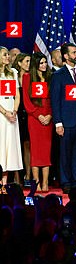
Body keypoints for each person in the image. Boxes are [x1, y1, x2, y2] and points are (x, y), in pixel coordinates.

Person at [50, 42, 76, 193]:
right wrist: (58, 123)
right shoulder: (58, 75)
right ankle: (66, 182)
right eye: (74, 53)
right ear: (66, 56)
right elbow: (55, 101)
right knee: (65, 153)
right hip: (66, 122)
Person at [22, 52, 53, 192]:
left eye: (45, 62)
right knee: (35, 151)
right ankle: (37, 183)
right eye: (41, 63)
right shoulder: (27, 77)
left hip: (48, 119)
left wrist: (50, 115)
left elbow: (54, 99)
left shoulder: (50, 77)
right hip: (34, 119)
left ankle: (45, 183)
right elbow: (26, 101)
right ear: (35, 64)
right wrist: (38, 114)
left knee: (46, 151)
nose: (44, 65)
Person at [0, 47, 23, 191]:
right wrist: (5, 112)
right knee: (1, 146)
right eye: (5, 54)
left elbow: (17, 95)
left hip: (12, 116)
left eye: (8, 54)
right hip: (1, 115)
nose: (8, 56)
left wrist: (14, 111)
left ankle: (4, 183)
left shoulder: (13, 73)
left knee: (9, 148)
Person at [12, 53, 31, 185]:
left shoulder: (31, 77)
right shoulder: (12, 76)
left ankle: (28, 176)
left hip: (28, 115)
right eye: (26, 61)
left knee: (27, 145)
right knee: (15, 145)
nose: (29, 64)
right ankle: (16, 177)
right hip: (14, 114)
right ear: (19, 63)